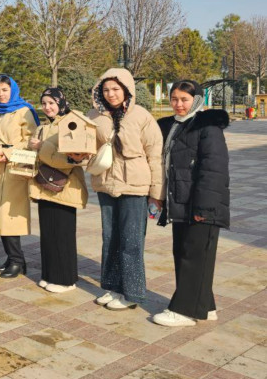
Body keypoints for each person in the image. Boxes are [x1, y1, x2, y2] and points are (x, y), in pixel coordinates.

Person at [152, 80, 229, 326]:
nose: (179, 104)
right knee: (186, 253)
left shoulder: (208, 127)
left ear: (197, 100)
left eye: (184, 100)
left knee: (194, 257)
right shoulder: (172, 125)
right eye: (174, 99)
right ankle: (205, 306)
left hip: (201, 205)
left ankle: (184, 311)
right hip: (181, 202)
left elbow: (214, 170)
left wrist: (204, 208)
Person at [88, 68, 163, 310]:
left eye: (115, 89)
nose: (110, 94)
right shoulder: (94, 116)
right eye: (106, 89)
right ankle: (113, 287)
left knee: (131, 241)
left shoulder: (141, 116)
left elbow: (155, 155)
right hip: (106, 183)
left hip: (135, 186)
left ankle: (132, 293)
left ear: (127, 89)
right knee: (110, 238)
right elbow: (86, 149)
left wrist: (156, 193)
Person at [27, 88, 89, 292]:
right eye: (44, 103)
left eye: (51, 103)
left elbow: (70, 159)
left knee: (62, 235)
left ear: (61, 103)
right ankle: (50, 275)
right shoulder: (43, 127)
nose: (47, 107)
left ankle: (65, 280)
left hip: (65, 188)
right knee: (48, 234)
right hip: (44, 185)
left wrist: (41, 147)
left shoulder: (72, 124)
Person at [0, 75, 38, 278]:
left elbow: (31, 140)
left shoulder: (24, 111)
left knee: (10, 215)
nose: (1, 94)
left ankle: (17, 260)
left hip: (15, 167)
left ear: (13, 90)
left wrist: (7, 152)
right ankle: (11, 258)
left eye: (4, 90)